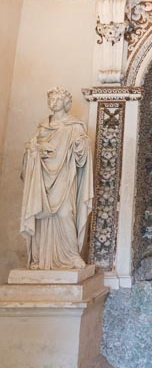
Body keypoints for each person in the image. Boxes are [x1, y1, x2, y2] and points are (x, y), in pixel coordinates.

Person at [20, 88, 93, 270]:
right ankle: (39, 258)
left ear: (66, 103)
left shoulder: (75, 126)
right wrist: (35, 149)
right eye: (51, 98)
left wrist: (80, 145)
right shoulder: (43, 127)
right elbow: (31, 147)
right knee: (40, 215)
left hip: (64, 177)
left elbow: (82, 155)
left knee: (65, 213)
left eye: (57, 99)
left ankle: (71, 255)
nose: (53, 101)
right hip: (43, 178)